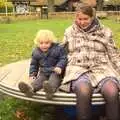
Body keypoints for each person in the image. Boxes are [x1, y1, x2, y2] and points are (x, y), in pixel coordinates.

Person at [60, 3, 120, 120]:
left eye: (85, 19)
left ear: (92, 17)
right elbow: (61, 53)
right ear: (75, 18)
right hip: (78, 68)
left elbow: (114, 55)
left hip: (102, 68)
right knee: (83, 92)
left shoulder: (105, 31)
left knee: (112, 92)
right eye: (79, 19)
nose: (82, 22)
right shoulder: (69, 31)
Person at [18, 29, 67, 99]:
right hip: (44, 72)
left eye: (47, 43)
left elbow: (63, 58)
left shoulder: (58, 49)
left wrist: (59, 66)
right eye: (41, 43)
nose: (44, 45)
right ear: (37, 43)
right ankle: (30, 89)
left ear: (51, 42)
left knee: (54, 80)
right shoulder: (36, 52)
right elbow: (34, 65)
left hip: (55, 71)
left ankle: (50, 91)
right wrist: (32, 74)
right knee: (39, 80)